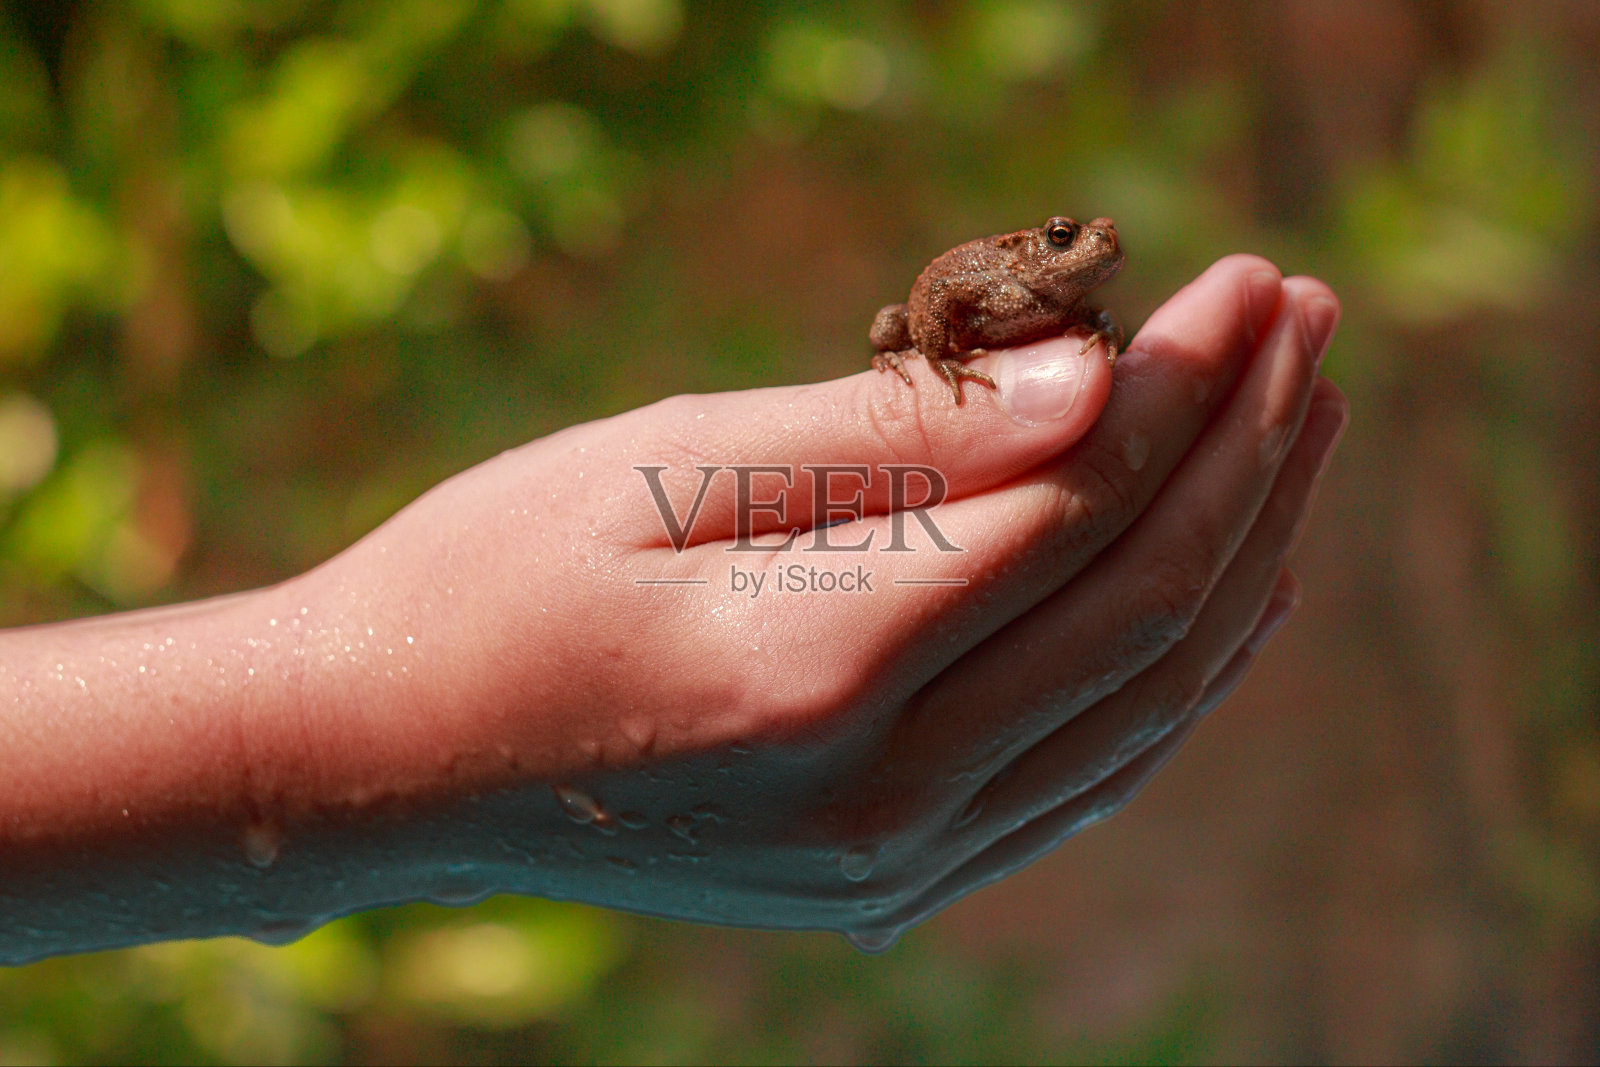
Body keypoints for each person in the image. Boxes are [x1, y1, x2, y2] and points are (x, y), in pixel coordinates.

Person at [0, 256, 1345, 960]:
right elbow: (929, 310)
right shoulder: (985, 283)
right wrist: (398, 738)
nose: (1087, 253)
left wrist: (383, 755)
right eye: (1061, 238)